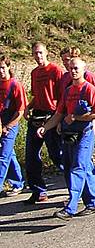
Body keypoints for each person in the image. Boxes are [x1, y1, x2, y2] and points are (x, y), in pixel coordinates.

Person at [39, 57, 95, 220]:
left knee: (78, 167)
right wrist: (45, 127)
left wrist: (75, 117)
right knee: (75, 167)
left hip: (85, 135)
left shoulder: (89, 89)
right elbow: (59, 113)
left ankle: (71, 207)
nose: (73, 71)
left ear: (83, 70)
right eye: (71, 68)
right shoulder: (68, 91)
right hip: (70, 135)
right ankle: (93, 203)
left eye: (76, 68)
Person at [24, 42, 63, 203]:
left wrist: (59, 119)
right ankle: (38, 191)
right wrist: (28, 107)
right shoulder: (34, 73)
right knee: (31, 156)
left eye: (40, 52)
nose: (38, 56)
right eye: (35, 53)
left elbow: (62, 96)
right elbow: (37, 96)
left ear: (46, 53)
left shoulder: (55, 70)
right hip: (37, 117)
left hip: (51, 116)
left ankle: (84, 185)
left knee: (58, 156)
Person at [0, 54, 26, 198]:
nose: (0, 71)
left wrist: (8, 126)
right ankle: (18, 183)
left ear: (8, 67)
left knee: (2, 156)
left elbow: (20, 111)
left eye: (3, 67)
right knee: (9, 154)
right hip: (0, 122)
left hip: (11, 122)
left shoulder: (15, 85)